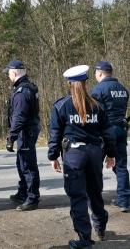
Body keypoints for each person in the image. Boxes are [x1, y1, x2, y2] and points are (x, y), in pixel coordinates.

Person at [48, 65, 116, 249]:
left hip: (74, 155)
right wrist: (111, 154)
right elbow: (108, 132)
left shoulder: (61, 106)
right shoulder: (98, 106)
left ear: (69, 84)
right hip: (94, 153)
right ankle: (100, 227)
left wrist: (53, 156)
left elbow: (55, 133)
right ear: (86, 82)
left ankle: (84, 239)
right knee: (95, 192)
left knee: (78, 197)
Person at [91, 61, 130, 213]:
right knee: (120, 166)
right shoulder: (123, 89)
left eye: (95, 72)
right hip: (121, 129)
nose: (95, 75)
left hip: (104, 131)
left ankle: (96, 200)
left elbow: (94, 113)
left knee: (96, 167)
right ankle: (124, 201)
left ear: (100, 73)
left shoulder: (98, 89)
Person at [3, 60, 41, 211]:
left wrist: (11, 137)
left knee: (28, 166)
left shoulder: (21, 93)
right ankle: (23, 192)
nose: (8, 75)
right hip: (27, 130)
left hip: (25, 132)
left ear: (14, 72)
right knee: (21, 163)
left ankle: (32, 198)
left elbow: (19, 117)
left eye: (8, 72)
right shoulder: (27, 87)